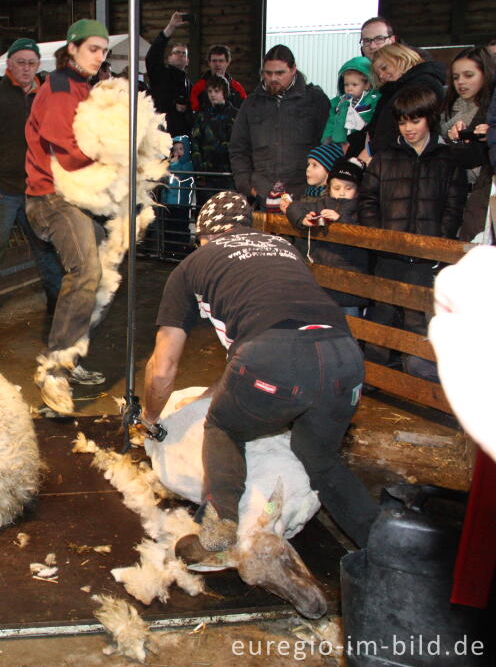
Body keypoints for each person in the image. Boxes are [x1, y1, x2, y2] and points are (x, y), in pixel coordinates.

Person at [140, 191, 379, 555]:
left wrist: (150, 417)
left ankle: (219, 524)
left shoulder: (193, 265)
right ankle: (383, 546)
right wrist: (214, 392)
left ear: (204, 234)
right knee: (319, 456)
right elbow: (251, 338)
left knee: (223, 427)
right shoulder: (283, 248)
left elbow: (163, 368)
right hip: (345, 357)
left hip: (276, 358)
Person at [25, 19, 111, 414]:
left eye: (104, 50)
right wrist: (114, 158)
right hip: (51, 196)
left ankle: (71, 357)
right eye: (93, 48)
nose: (100, 56)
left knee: (101, 274)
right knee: (87, 272)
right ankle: (54, 369)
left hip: (78, 196)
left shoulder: (84, 87)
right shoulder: (60, 87)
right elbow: (67, 148)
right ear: (72, 48)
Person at [358, 86, 467, 378]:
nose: (408, 128)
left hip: (424, 259)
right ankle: (372, 379)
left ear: (429, 119)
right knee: (380, 316)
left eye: (415, 121)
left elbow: (454, 207)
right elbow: (367, 200)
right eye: (403, 121)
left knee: (418, 321)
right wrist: (379, 239)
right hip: (389, 254)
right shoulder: (384, 158)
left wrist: (437, 246)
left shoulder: (446, 160)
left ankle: (417, 385)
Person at [0, 38, 62, 326]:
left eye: (32, 63)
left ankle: (56, 301)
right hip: (0, 190)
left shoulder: (46, 98)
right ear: (9, 64)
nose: (27, 68)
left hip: (38, 190)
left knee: (46, 248)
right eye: (21, 62)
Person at [229, 45, 330, 208]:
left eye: (280, 73)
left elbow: (328, 145)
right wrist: (247, 186)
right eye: (268, 73)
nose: (273, 78)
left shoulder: (315, 100)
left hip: (305, 197)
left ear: (293, 69)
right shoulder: (251, 104)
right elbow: (238, 149)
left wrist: (320, 188)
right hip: (263, 195)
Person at [285, 158, 370, 317]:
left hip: (349, 285)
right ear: (329, 187)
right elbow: (295, 206)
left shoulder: (361, 210)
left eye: (348, 188)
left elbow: (364, 233)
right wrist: (303, 218)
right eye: (337, 187)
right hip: (321, 281)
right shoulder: (321, 204)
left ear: (357, 190)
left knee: (351, 328)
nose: (342, 192)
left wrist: (340, 220)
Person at [346, 43, 445, 162]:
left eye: (384, 68)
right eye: (378, 74)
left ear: (400, 58)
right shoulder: (397, 89)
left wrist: (371, 149)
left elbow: (396, 126)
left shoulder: (421, 84)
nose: (382, 76)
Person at [440, 47, 494, 242]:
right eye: (455, 77)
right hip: (456, 192)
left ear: (485, 74)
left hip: (481, 191)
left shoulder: (489, 113)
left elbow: (473, 157)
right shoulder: (448, 109)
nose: (461, 82)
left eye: (468, 75)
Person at [144, 11, 192, 137]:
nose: (180, 55)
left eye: (184, 53)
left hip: (182, 140)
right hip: (160, 136)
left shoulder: (190, 86)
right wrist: (170, 28)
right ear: (169, 58)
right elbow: (152, 57)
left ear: (187, 61)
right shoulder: (160, 74)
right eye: (176, 52)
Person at [321, 57, 380, 148]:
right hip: (338, 142)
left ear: (367, 85)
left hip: (361, 144)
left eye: (354, 85)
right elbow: (331, 121)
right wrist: (326, 138)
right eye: (346, 84)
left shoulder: (373, 100)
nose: (349, 88)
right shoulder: (338, 102)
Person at [188, 45, 246, 112]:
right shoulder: (199, 87)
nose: (217, 64)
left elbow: (245, 111)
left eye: (221, 61)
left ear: (227, 62)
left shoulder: (237, 88)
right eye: (214, 61)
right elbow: (193, 112)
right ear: (209, 63)